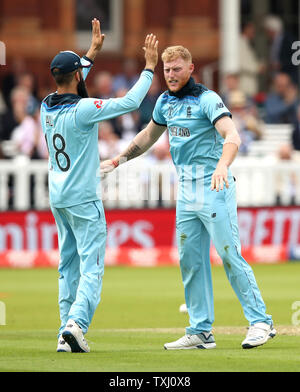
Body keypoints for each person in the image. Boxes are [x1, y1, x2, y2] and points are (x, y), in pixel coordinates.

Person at [101, 45, 276, 350]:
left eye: (177, 69)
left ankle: (261, 321)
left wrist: (222, 165)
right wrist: (118, 160)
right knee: (191, 261)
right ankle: (200, 331)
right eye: (167, 70)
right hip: (185, 192)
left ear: (191, 69)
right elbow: (147, 137)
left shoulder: (208, 99)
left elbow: (232, 136)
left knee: (229, 255)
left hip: (214, 187)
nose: (171, 75)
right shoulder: (164, 103)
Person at [40, 18, 158, 353]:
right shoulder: (84, 110)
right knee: (91, 265)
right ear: (77, 75)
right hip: (83, 199)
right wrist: (149, 68)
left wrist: (90, 53)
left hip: (59, 198)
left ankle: (66, 331)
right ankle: (77, 324)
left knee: (68, 265)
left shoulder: (46, 105)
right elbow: (131, 103)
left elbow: (72, 80)